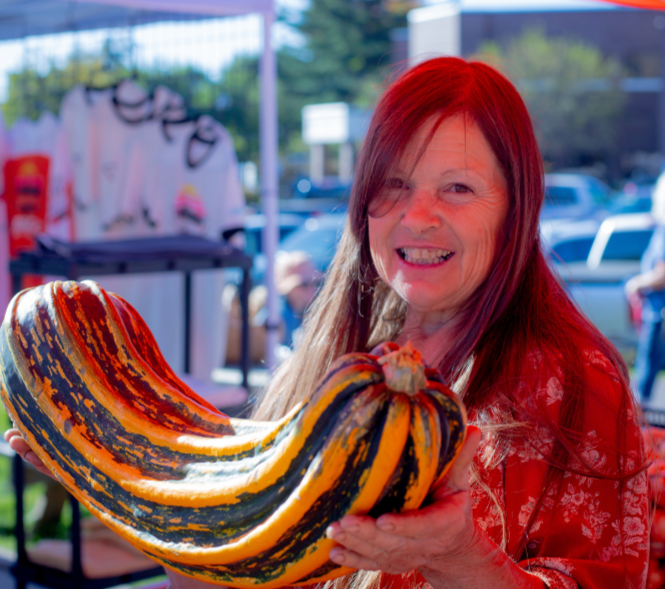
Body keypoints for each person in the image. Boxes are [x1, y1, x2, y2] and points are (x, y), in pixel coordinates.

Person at [6, 56, 649, 589]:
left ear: (519, 205)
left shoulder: (575, 380)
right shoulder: (340, 354)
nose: (416, 216)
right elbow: (225, 572)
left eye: (457, 188)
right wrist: (117, 480)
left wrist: (459, 558)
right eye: (392, 184)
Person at [625, 171, 665, 405]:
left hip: (658, 313)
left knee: (647, 368)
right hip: (656, 311)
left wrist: (637, 283)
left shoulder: (663, 233)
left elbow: (662, 274)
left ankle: (642, 420)